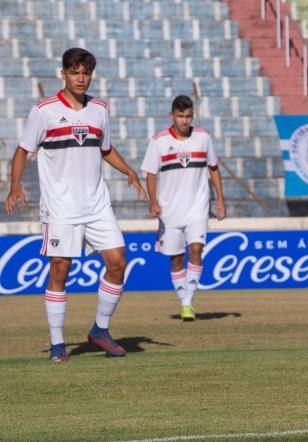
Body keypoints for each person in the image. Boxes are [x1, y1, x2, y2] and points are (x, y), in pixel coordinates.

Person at [4, 47, 147, 361]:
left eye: (86, 73)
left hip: (96, 203)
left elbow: (105, 148)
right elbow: (22, 150)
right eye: (75, 72)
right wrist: (14, 185)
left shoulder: (99, 110)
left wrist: (129, 171)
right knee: (60, 268)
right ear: (63, 74)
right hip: (61, 206)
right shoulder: (44, 111)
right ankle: (58, 344)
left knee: (118, 261)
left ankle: (99, 330)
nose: (81, 78)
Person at [140, 95, 226, 321]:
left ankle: (188, 304)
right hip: (169, 211)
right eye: (180, 116)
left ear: (192, 116)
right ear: (172, 116)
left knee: (197, 249)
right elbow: (150, 174)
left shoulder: (203, 137)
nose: (184, 121)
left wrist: (220, 200)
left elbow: (214, 169)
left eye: (188, 116)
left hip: (198, 207)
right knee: (176, 259)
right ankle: (184, 300)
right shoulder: (158, 141)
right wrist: (153, 201)